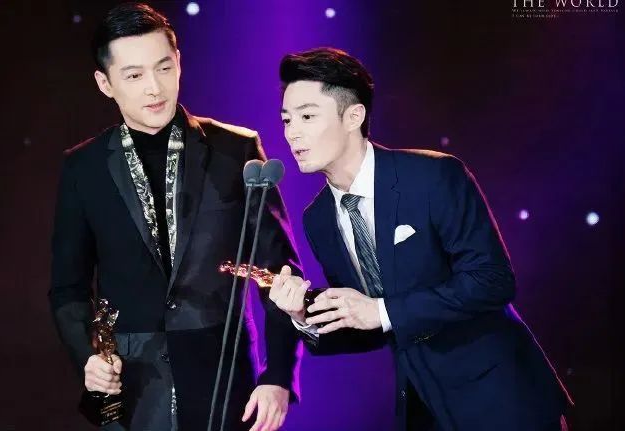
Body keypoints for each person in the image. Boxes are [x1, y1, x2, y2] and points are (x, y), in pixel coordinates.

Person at [269, 47, 572, 431]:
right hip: (423, 406)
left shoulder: (432, 176)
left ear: (354, 116)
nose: (292, 132)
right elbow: (366, 326)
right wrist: (303, 317)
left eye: (307, 116)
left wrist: (381, 311)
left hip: (501, 397)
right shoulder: (318, 218)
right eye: (286, 120)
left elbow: (492, 280)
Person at [49, 4, 301, 430]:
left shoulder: (236, 150)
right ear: (105, 83)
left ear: (179, 62)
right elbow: (67, 287)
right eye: (134, 76)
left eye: (163, 68)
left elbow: (279, 272)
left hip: (225, 381)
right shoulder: (83, 168)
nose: (155, 88)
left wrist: (277, 374)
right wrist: (87, 358)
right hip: (132, 389)